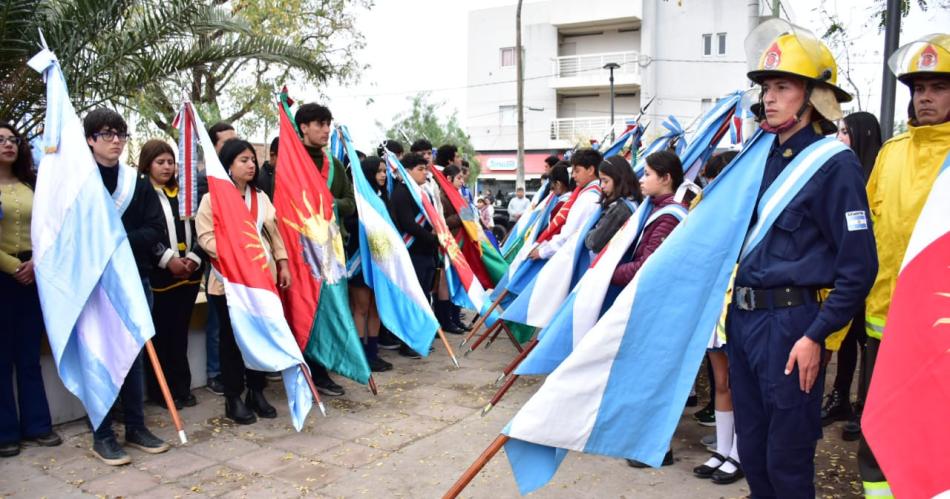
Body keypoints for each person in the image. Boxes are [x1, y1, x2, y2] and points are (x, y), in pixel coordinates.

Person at [726, 22, 877, 497]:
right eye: (767, 88)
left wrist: (817, 334)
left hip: (792, 326)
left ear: (813, 96)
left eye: (783, 87)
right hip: (745, 319)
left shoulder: (834, 164)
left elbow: (859, 268)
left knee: (786, 460)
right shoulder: (759, 157)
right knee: (753, 453)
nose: (770, 98)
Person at [858, 34, 949, 499]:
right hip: (882, 324)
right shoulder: (891, 153)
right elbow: (869, 232)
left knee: (935, 436)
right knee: (878, 433)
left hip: (940, 330)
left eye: (937, 87)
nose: (925, 98)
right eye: (918, 88)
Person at [84, 108, 170, 465]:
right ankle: (102, 434)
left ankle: (135, 426)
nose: (116, 140)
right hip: (93, 284)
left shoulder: (136, 183)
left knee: (134, 357)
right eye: (107, 134)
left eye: (121, 134)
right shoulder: (78, 182)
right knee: (98, 356)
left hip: (136, 278)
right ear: (90, 140)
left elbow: (155, 230)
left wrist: (116, 241)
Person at [196, 139, 290, 425]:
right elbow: (205, 237)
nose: (251, 165)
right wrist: (237, 257)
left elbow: (274, 234)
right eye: (243, 160)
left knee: (259, 336)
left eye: (252, 160)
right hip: (228, 282)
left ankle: (257, 391)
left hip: (261, 281)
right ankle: (233, 397)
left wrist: (282, 263)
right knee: (232, 340)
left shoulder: (260, 197)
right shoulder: (213, 198)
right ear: (228, 166)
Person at [615, 150, 689, 469]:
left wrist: (608, 273)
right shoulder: (658, 209)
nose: (641, 179)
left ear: (666, 177)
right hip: (653, 305)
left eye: (647, 173)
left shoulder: (670, 215)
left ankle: (659, 447)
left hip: (661, 308)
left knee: (655, 375)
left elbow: (649, 265)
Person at [0, 122, 62, 458]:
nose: (8, 145)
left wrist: (35, 263)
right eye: (0, 140)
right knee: (1, 357)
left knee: (28, 353)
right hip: (4, 276)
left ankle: (37, 425)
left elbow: (48, 227)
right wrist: (13, 267)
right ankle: (5, 431)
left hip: (34, 274)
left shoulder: (31, 183)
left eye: (12, 140)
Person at [821, 111, 882, 440]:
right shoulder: (843, 171)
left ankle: (864, 406)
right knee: (843, 337)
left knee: (867, 342)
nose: (839, 138)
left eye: (845, 132)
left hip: (876, 274)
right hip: (845, 272)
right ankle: (840, 398)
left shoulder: (876, 170)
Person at [137, 140, 205, 409]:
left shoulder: (186, 193)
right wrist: (168, 260)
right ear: (148, 164)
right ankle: (160, 391)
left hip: (189, 273)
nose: (166, 167)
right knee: (162, 334)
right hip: (161, 274)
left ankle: (182, 386)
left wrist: (194, 257)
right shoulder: (143, 194)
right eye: (160, 162)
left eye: (170, 162)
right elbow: (146, 231)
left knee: (180, 334)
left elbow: (202, 227)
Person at [690, 150, 745, 485]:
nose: (709, 183)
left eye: (714, 176)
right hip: (713, 302)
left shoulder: (750, 210)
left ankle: (740, 452)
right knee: (721, 382)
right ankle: (723, 449)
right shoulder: (705, 208)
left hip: (738, 302)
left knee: (739, 384)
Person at [295, 103, 353, 397]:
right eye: (319, 124)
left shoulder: (336, 166)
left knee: (328, 311)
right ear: (303, 127)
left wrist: (328, 203)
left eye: (328, 124)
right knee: (304, 310)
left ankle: (322, 371)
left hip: (330, 251)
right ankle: (302, 370)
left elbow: (349, 203)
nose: (326, 130)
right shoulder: (293, 162)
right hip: (300, 251)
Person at [344, 156, 393, 373]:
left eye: (384, 171)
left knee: (375, 308)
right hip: (359, 259)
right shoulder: (357, 197)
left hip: (379, 260)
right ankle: (359, 356)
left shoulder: (383, 196)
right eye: (379, 171)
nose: (383, 175)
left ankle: (373, 353)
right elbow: (348, 223)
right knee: (361, 308)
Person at [389, 153, 439, 358]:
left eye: (425, 169)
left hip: (426, 252)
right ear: (407, 171)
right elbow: (408, 224)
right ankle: (408, 342)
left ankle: (420, 337)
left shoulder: (420, 192)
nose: (425, 172)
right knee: (413, 298)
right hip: (413, 252)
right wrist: (431, 237)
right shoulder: (401, 193)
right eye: (420, 169)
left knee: (425, 295)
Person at [202, 121, 236, 396]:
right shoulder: (206, 183)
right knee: (217, 322)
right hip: (219, 266)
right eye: (225, 142)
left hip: (247, 269)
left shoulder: (251, 187)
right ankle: (215, 372)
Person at [528, 150, 603, 260]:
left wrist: (542, 252)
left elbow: (568, 234)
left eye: (577, 171)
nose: (573, 176)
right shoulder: (592, 193)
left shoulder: (588, 198)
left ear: (591, 170)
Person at [584, 155, 643, 254]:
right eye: (600, 181)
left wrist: (587, 233)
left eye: (605, 181)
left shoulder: (619, 210)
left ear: (619, 179)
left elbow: (594, 242)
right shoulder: (633, 200)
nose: (602, 186)